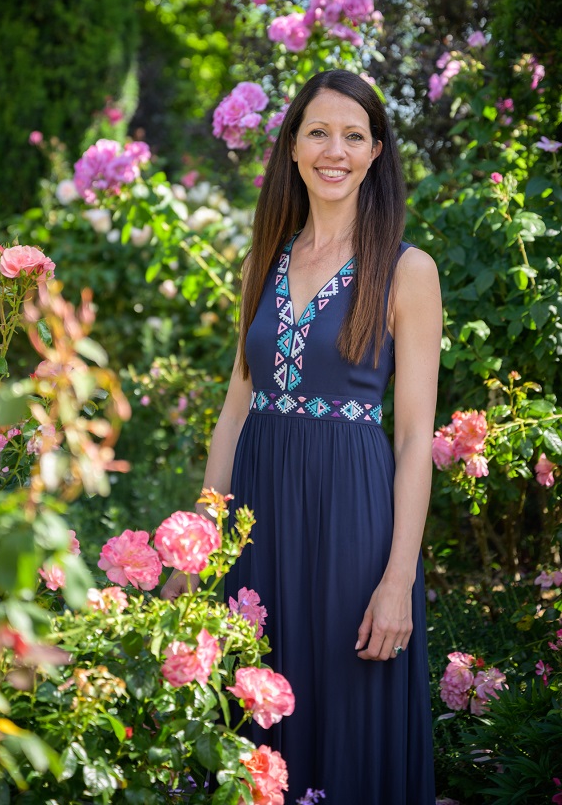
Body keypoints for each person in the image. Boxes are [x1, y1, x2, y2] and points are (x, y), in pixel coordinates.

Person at [162, 68, 441, 804]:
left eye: (353, 136)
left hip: (353, 522)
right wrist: (200, 542)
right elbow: (234, 411)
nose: (334, 151)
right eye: (318, 132)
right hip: (257, 519)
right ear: (291, 146)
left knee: (347, 711)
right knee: (256, 713)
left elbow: (415, 438)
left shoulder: (408, 270)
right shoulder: (263, 260)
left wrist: (398, 581)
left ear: (375, 153)